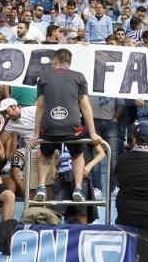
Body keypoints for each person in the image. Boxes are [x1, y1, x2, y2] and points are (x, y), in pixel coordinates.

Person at [32, 49, 101, 203]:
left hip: (49, 127)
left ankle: (42, 186)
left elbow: (40, 106)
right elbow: (85, 105)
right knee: (77, 156)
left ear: (55, 61)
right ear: (69, 62)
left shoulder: (44, 77)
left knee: (44, 155)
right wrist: (93, 133)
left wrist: (36, 133)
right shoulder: (79, 76)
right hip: (73, 128)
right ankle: (78, 188)